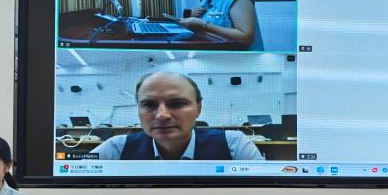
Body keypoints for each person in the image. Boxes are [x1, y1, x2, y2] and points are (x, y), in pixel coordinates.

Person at [93, 72, 264, 161]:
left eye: (177, 103)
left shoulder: (234, 145)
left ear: (198, 108)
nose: (162, 115)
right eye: (149, 105)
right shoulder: (116, 148)